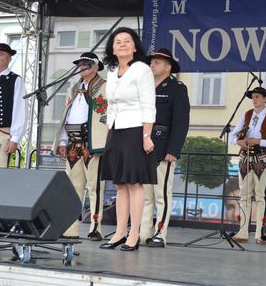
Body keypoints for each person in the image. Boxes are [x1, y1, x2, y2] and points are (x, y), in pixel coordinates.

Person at [99, 27, 156, 252]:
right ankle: (119, 233)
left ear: (134, 47)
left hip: (136, 129)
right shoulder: (112, 72)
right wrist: (108, 136)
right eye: (118, 41)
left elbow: (148, 104)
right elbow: (111, 106)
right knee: (120, 184)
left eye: (127, 41)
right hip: (117, 130)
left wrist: (146, 135)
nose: (122, 44)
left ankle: (135, 234)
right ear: (112, 48)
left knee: (134, 182)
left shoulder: (141, 69)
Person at [52, 52, 107, 240]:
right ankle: (70, 228)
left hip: (92, 144)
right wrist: (62, 141)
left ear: (96, 66)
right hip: (73, 144)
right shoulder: (74, 88)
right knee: (73, 187)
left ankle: (95, 227)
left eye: (87, 63)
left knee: (95, 187)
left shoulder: (104, 87)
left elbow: (105, 116)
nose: (82, 66)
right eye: (80, 64)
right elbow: (67, 115)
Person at [140, 48, 190, 248]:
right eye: (151, 62)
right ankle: (143, 233)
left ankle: (161, 232)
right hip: (144, 146)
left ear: (168, 67)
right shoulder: (145, 88)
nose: (152, 64)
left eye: (157, 62)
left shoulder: (176, 88)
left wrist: (174, 150)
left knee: (161, 194)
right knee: (144, 196)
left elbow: (181, 122)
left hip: (163, 147)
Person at [228, 86, 266, 244]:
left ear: (265, 99)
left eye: (258, 97)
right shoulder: (246, 115)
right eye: (253, 97)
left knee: (260, 195)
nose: (254, 99)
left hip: (262, 157)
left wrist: (258, 141)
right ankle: (243, 231)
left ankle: (259, 232)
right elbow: (232, 135)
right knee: (244, 195)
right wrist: (239, 141)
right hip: (245, 157)